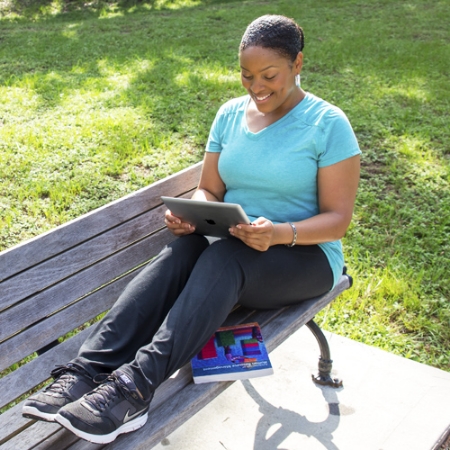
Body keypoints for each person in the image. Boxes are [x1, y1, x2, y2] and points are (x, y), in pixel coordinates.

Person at [22, 14, 361, 444]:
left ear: (297, 64)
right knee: (182, 250)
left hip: (304, 254)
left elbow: (338, 220)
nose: (257, 86)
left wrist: (277, 233)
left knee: (223, 256)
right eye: (246, 75)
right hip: (237, 244)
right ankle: (86, 372)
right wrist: (193, 213)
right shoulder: (229, 115)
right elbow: (210, 188)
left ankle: (134, 391)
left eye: (269, 75)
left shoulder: (328, 124)